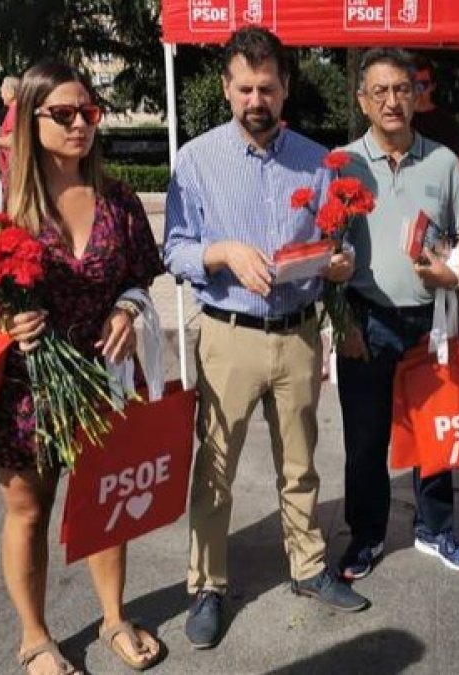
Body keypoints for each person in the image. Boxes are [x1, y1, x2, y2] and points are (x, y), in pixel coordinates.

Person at [0, 61, 164, 674]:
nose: (78, 125)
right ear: (30, 119)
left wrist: (125, 308)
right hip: (23, 389)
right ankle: (34, 637)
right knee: (29, 512)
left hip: (100, 380)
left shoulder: (118, 200)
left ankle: (115, 617)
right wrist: (1, 321)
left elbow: (140, 273)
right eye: (61, 114)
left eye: (87, 113)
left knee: (106, 503)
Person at [163, 26, 369, 651]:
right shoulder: (196, 160)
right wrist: (221, 252)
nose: (257, 100)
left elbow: (344, 247)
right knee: (215, 467)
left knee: (302, 461)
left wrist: (340, 264)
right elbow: (174, 249)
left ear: (286, 90)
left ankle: (308, 567)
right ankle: (208, 583)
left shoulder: (318, 159)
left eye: (269, 88)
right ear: (226, 88)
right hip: (229, 335)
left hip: (300, 334)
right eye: (245, 88)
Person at [334, 48, 459, 581]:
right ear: (363, 101)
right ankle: (367, 536)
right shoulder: (343, 163)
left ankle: (436, 528)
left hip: (432, 321)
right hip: (365, 319)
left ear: (417, 95)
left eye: (402, 89)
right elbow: (328, 245)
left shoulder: (444, 162)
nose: (393, 101)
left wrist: (452, 271)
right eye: (380, 91)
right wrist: (340, 318)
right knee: (366, 440)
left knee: (437, 433)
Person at [411, 54, 459, 170]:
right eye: (413, 84)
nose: (418, 90)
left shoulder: (447, 124)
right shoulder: (395, 120)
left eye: (423, 84)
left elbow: (457, 164)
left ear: (433, 86)